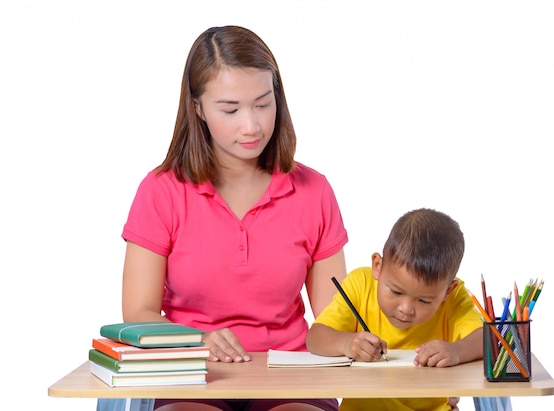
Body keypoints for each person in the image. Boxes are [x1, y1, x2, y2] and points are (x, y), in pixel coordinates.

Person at [120, 25, 348, 411]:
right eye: (230, 109)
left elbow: (336, 320)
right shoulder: (161, 191)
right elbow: (137, 315)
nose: (252, 125)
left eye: (263, 103)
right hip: (192, 373)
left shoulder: (314, 190)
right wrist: (195, 341)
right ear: (198, 108)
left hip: (290, 376)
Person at [306, 208, 483, 411]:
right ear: (377, 266)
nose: (406, 309)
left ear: (447, 291)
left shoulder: (454, 298)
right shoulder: (359, 284)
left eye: (424, 301)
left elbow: (488, 339)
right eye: (396, 292)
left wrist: (457, 351)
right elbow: (315, 338)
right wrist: (347, 343)